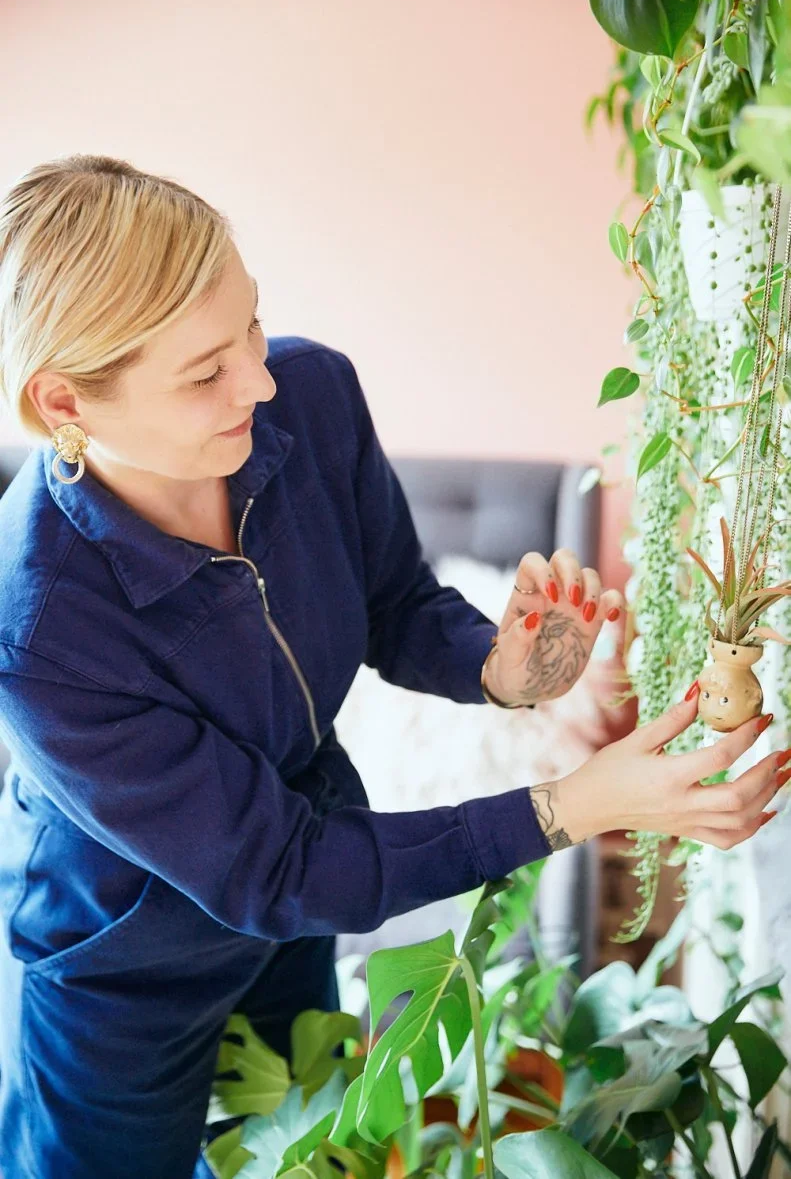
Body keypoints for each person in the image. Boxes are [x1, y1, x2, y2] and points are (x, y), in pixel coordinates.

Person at [0, 154, 784, 1179]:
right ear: (64, 402)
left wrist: (505, 667)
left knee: (300, 1161)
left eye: (250, 324)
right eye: (206, 371)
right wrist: (571, 803)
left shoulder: (310, 398)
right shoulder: (37, 624)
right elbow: (274, 865)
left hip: (291, 926)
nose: (260, 378)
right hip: (124, 968)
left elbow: (395, 604)